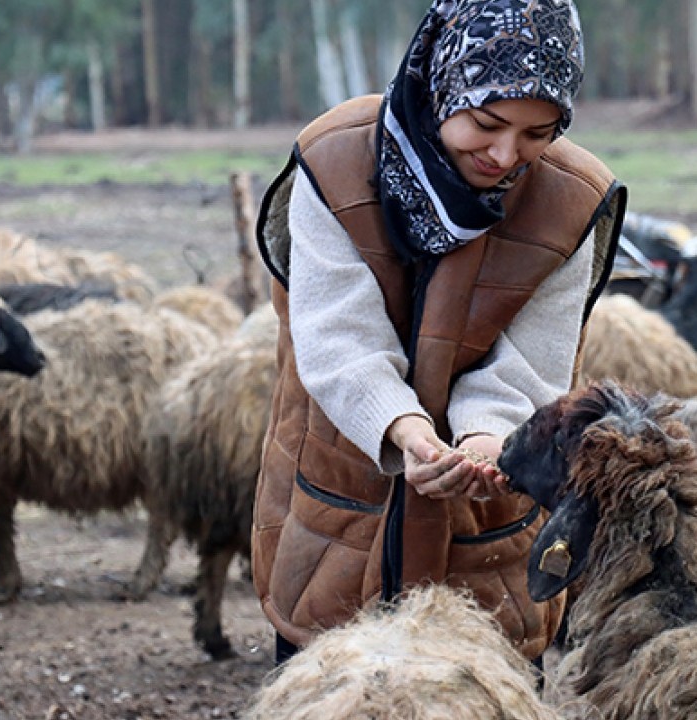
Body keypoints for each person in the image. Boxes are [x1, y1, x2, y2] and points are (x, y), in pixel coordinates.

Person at [251, 0, 626, 663]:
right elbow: (337, 336)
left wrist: (488, 439)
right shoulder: (333, 161)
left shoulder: (574, 200)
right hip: (343, 499)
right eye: (487, 122)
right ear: (444, 81)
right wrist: (404, 430)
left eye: (539, 134)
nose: (507, 155)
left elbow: (533, 359)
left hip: (485, 521)